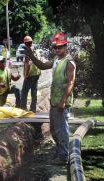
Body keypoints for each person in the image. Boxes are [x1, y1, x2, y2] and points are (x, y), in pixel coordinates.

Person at [24, 32, 76, 165]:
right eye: (55, 47)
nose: (57, 50)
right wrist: (30, 54)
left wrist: (63, 101)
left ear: (66, 47)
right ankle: (59, 153)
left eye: (60, 47)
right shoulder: (55, 60)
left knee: (62, 130)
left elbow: (71, 82)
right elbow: (41, 66)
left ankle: (63, 157)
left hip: (61, 102)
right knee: (54, 130)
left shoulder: (69, 63)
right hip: (54, 101)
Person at [21, 36, 41, 112]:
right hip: (37, 74)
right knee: (34, 92)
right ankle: (33, 108)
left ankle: (23, 108)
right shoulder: (36, 51)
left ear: (25, 44)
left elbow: (28, 64)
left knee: (24, 92)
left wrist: (26, 75)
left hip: (30, 75)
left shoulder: (28, 52)